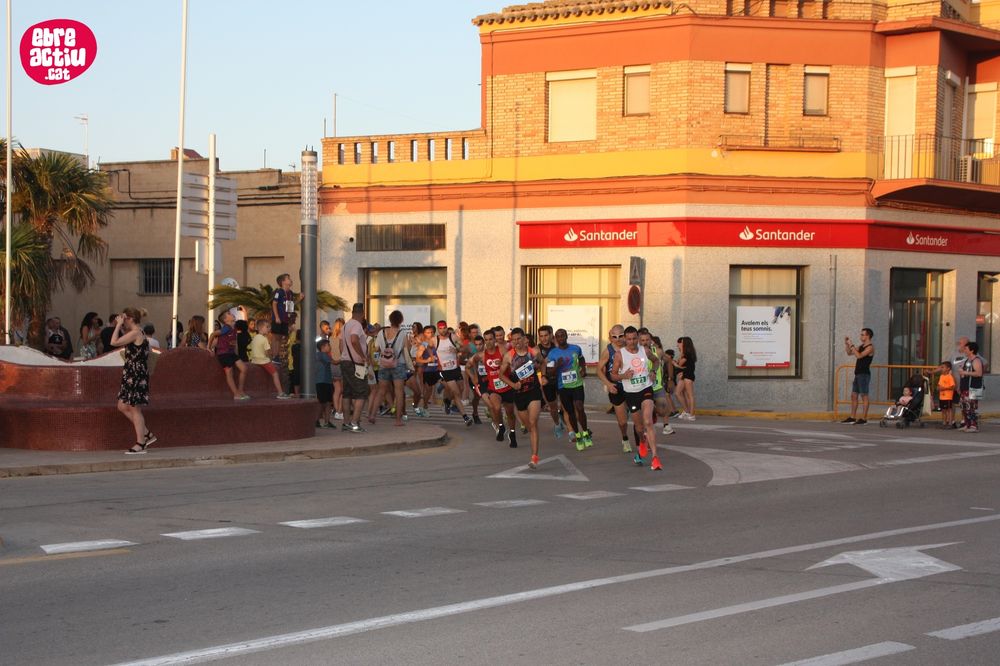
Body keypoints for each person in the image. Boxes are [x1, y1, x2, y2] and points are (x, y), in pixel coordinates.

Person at [612, 326, 662, 470]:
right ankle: (642, 441)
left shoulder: (644, 350)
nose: (632, 342)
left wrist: (653, 371)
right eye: (629, 339)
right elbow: (613, 375)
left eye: (635, 338)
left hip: (646, 389)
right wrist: (623, 376)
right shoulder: (620, 355)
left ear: (638, 338)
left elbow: (656, 361)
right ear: (625, 339)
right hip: (631, 394)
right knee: (639, 428)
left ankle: (655, 458)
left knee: (648, 421)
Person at [112, 307, 156, 455]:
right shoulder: (138, 332)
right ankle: (146, 433)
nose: (122, 321)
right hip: (132, 373)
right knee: (122, 405)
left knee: (134, 408)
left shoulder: (136, 333)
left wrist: (118, 325)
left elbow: (113, 342)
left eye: (124, 319)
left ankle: (141, 443)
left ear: (130, 319)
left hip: (136, 374)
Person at [500, 327, 546, 468]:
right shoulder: (509, 356)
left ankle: (534, 458)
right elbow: (500, 374)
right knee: (529, 426)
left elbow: (543, 362)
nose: (516, 342)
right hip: (519, 394)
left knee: (533, 422)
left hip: (533, 391)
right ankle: (533, 439)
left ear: (524, 339)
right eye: (513, 340)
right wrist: (513, 385)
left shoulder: (534, 352)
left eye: (519, 339)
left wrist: (543, 376)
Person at [548, 328, 591, 451]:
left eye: (563, 335)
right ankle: (577, 435)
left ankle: (585, 432)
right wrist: (557, 365)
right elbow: (550, 372)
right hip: (563, 386)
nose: (561, 338)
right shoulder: (553, 353)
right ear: (556, 338)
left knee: (580, 407)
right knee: (570, 412)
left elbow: (581, 359)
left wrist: (583, 369)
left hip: (577, 384)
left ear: (566, 336)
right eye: (558, 336)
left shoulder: (576, 348)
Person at [598, 324, 632, 453]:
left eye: (621, 336)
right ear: (610, 337)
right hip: (617, 388)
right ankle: (625, 438)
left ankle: (643, 438)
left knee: (639, 418)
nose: (618, 339)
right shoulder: (608, 351)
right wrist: (608, 384)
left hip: (633, 386)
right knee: (623, 422)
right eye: (614, 336)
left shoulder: (632, 347)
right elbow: (598, 370)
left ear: (625, 335)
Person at [435, 320, 474, 426]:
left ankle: (447, 401)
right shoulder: (435, 340)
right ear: (438, 329)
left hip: (455, 368)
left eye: (444, 328)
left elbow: (466, 348)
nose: (443, 330)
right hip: (444, 371)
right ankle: (465, 417)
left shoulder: (453, 337)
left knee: (460, 389)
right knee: (456, 393)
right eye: (440, 328)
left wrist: (457, 350)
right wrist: (431, 356)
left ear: (447, 327)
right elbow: (425, 347)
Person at [373, 309, 408, 427]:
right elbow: (406, 349)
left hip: (383, 364)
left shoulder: (381, 332)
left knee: (381, 391)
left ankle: (372, 415)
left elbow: (376, 348)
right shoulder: (403, 333)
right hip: (399, 364)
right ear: (401, 321)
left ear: (390, 320)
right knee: (399, 392)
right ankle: (398, 420)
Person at [339, 303, 370, 432]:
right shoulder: (357, 325)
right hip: (356, 364)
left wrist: (346, 355)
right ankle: (354, 423)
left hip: (345, 362)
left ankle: (346, 422)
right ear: (362, 314)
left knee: (347, 393)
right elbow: (354, 340)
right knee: (361, 393)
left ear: (352, 312)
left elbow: (341, 345)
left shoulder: (345, 326)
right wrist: (362, 356)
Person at [641, 330, 675, 436]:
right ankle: (652, 428)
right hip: (643, 388)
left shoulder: (658, 352)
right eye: (642, 340)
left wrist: (670, 379)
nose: (645, 342)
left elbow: (669, 361)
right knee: (645, 410)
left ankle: (662, 421)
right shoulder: (636, 354)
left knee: (663, 410)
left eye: (647, 340)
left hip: (657, 387)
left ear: (651, 340)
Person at [210, 311, 249, 400]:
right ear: (225, 320)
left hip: (231, 353)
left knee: (244, 368)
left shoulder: (234, 328)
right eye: (229, 314)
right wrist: (209, 348)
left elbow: (235, 343)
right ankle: (236, 394)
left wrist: (236, 353)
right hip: (223, 354)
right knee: (229, 372)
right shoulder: (226, 328)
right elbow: (213, 334)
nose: (231, 313)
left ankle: (240, 390)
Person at [536, 325, 567, 438]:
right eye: (541, 336)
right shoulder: (537, 349)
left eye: (546, 335)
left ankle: (563, 416)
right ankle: (557, 424)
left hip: (560, 379)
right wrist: (540, 373)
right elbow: (534, 365)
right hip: (547, 381)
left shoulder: (557, 346)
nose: (544, 338)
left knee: (565, 404)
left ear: (551, 335)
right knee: (553, 406)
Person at [841, 328, 874, 425]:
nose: (861, 336)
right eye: (861, 334)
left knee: (864, 396)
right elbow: (849, 353)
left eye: (862, 334)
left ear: (868, 336)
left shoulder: (870, 347)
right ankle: (852, 417)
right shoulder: (861, 346)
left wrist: (852, 345)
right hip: (858, 374)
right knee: (854, 395)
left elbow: (859, 356)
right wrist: (847, 344)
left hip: (864, 374)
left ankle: (864, 418)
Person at [249, 319, 290, 399]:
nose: (269, 329)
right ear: (261, 328)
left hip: (254, 360)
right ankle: (280, 393)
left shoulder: (255, 337)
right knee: (275, 374)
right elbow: (268, 352)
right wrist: (271, 359)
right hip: (263, 361)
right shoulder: (264, 339)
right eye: (267, 327)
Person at [958, 341, 985, 433]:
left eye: (966, 349)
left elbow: (979, 373)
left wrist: (964, 372)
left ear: (972, 350)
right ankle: (967, 424)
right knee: (964, 407)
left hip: (974, 388)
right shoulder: (966, 360)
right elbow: (964, 374)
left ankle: (974, 426)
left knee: (971, 407)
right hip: (965, 387)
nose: (964, 350)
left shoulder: (976, 360)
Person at [673, 336, 697, 421]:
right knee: (677, 392)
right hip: (684, 375)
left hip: (688, 376)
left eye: (682, 342)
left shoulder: (687, 354)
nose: (679, 344)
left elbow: (679, 364)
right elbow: (682, 366)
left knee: (690, 395)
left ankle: (692, 414)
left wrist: (674, 363)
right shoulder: (685, 354)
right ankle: (687, 411)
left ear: (686, 344)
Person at [315, 339, 334, 427]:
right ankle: (319, 420)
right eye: (328, 345)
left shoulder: (319, 355)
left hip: (324, 381)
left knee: (326, 402)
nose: (330, 347)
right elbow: (334, 362)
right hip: (323, 381)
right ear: (323, 347)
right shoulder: (323, 355)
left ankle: (324, 421)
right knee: (323, 402)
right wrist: (343, 359)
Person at [330, 317, 345, 421]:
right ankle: (340, 411)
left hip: (332, 364)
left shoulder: (331, 338)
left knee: (337, 389)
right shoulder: (343, 337)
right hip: (341, 364)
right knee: (343, 390)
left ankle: (336, 410)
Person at [271, 273, 296, 337]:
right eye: (288, 278)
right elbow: (274, 304)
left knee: (284, 338)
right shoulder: (279, 292)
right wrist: (277, 317)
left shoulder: (290, 293)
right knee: (277, 338)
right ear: (283, 282)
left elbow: (291, 306)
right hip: (278, 320)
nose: (290, 280)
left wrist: (291, 322)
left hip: (286, 321)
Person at [937, 360, 957, 429]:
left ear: (948, 369)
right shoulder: (941, 376)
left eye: (943, 367)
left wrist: (944, 388)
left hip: (948, 397)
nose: (941, 369)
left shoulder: (949, 376)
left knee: (949, 410)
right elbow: (939, 385)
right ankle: (944, 422)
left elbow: (953, 387)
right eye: (941, 367)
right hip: (941, 397)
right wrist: (938, 388)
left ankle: (950, 423)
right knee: (943, 410)